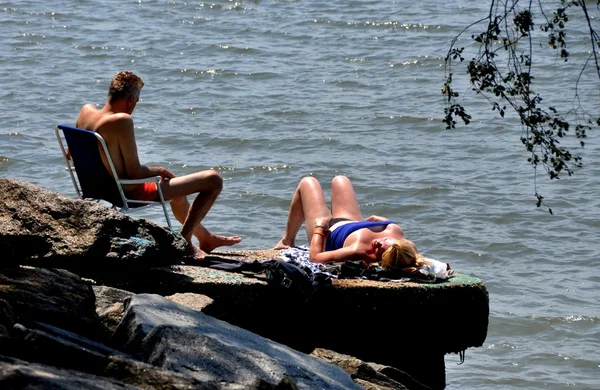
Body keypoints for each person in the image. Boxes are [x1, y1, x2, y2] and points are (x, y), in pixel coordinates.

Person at [74, 70, 241, 260]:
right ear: (130, 100)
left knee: (178, 194)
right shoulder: (121, 121)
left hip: (97, 187)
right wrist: (160, 170)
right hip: (125, 191)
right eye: (136, 102)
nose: (134, 106)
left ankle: (206, 238)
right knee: (213, 180)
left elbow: (72, 154)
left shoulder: (86, 112)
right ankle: (184, 242)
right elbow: (135, 172)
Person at [273, 175, 429, 270]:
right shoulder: (405, 244)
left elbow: (315, 257)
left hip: (329, 231)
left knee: (307, 182)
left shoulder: (359, 250)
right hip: (352, 223)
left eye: (379, 250)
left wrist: (319, 228)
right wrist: (385, 221)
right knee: (341, 180)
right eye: (384, 241)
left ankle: (287, 240)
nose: (378, 242)